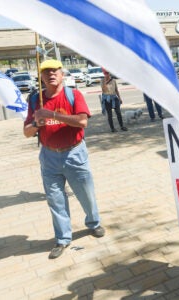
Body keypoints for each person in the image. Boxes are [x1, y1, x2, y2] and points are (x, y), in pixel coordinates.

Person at [23, 59, 105, 260]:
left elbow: (82, 121)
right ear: (41, 76)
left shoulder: (73, 95)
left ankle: (93, 223)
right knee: (55, 199)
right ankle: (62, 238)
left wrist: (51, 115)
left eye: (55, 70)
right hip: (49, 156)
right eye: (46, 71)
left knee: (85, 194)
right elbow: (26, 132)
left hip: (74, 153)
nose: (51, 74)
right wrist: (36, 122)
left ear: (62, 74)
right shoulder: (36, 100)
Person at [101, 68, 127, 132]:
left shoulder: (113, 80)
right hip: (107, 99)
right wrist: (105, 82)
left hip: (114, 98)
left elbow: (116, 90)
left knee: (118, 113)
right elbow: (104, 90)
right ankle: (112, 128)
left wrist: (120, 98)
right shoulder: (102, 81)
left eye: (108, 73)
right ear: (104, 74)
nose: (107, 75)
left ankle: (122, 126)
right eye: (106, 73)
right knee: (110, 115)